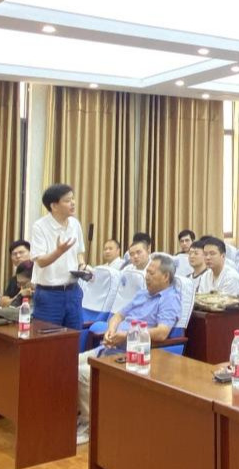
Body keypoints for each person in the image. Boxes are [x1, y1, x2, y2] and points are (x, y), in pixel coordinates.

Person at [80, 255, 183, 445]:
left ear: (166, 277)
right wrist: (111, 330)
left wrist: (126, 336)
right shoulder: (143, 294)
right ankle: (80, 414)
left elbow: (162, 333)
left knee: (82, 374)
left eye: (151, 273)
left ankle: (89, 425)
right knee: (68, 363)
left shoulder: (170, 299)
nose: (146, 276)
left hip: (133, 355)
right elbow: (118, 316)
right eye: (146, 272)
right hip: (110, 347)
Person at [29, 184, 88, 334]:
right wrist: (59, 251)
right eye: (67, 200)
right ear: (54, 206)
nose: (73, 203)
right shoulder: (40, 227)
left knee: (74, 337)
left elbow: (79, 253)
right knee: (48, 340)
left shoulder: (75, 224)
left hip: (73, 291)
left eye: (73, 199)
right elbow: (40, 261)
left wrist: (82, 266)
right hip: (49, 295)